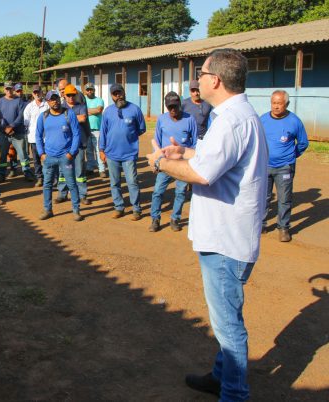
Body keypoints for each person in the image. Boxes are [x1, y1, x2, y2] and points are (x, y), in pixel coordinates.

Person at [146, 48, 268, 401]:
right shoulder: (236, 114)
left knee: (228, 325)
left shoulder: (231, 119)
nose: (196, 80)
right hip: (229, 234)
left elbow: (202, 175)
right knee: (225, 317)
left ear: (215, 80)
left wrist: (158, 163)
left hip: (225, 241)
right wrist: (181, 153)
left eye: (201, 73)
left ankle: (234, 393)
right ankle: (220, 377)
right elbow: (213, 159)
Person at [261, 89, 308, 242]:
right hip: (264, 165)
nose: (276, 106)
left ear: (286, 104)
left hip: (284, 167)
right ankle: (260, 224)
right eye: (273, 103)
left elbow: (302, 143)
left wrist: (290, 158)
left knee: (284, 199)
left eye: (279, 103)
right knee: (263, 197)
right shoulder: (263, 120)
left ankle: (283, 228)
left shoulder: (294, 121)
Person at [149, 91, 198, 232]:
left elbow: (194, 143)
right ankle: (155, 219)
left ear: (180, 105)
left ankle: (175, 218)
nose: (173, 110)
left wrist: (190, 161)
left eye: (175, 106)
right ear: (166, 106)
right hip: (165, 163)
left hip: (182, 164)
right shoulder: (162, 119)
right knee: (158, 191)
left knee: (181, 192)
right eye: (170, 107)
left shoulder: (190, 120)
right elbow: (156, 142)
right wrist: (156, 161)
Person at [99, 84, 146, 220]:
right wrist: (102, 150)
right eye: (115, 94)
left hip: (129, 154)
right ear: (112, 96)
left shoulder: (135, 109)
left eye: (120, 92)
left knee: (132, 182)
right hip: (111, 154)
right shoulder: (107, 111)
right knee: (115, 183)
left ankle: (136, 209)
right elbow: (103, 132)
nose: (118, 95)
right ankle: (119, 207)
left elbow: (141, 129)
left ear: (124, 93)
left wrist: (129, 137)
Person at [35, 90, 83, 222]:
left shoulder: (69, 114)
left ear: (60, 99)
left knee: (72, 184)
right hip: (49, 157)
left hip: (65, 157)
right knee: (47, 184)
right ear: (48, 101)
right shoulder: (43, 116)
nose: (54, 101)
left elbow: (76, 134)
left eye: (56, 99)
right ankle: (47, 210)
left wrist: (71, 153)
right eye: (51, 99)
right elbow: (38, 136)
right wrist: (42, 154)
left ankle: (76, 211)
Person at [55, 83, 91, 205]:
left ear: (76, 95)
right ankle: (62, 193)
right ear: (64, 96)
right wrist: (75, 118)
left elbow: (83, 119)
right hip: (64, 144)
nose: (71, 97)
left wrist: (67, 118)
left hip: (79, 143)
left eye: (73, 95)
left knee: (80, 171)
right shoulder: (60, 107)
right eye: (68, 95)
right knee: (62, 170)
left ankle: (83, 195)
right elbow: (61, 120)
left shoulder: (81, 106)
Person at [0, 81, 33, 182]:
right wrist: (4, 128)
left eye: (10, 88)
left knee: (23, 155)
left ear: (13, 89)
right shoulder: (0, 102)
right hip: (4, 133)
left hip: (18, 132)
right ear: (4, 90)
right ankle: (2, 174)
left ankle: (27, 172)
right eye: (7, 89)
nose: (9, 91)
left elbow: (21, 116)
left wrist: (11, 126)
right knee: (3, 155)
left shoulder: (19, 101)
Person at [23, 85, 49, 187]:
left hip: (47, 138)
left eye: (38, 92)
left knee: (47, 158)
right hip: (33, 138)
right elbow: (26, 122)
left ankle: (48, 178)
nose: (37, 94)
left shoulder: (47, 105)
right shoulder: (29, 107)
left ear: (42, 92)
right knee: (36, 159)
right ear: (32, 94)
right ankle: (39, 178)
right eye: (35, 93)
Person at [84, 82, 106, 177]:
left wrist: (87, 110)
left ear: (94, 90)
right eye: (88, 89)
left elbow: (99, 110)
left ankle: (101, 169)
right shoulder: (83, 100)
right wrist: (92, 111)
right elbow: (82, 111)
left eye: (91, 89)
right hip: (86, 129)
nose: (89, 91)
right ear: (85, 91)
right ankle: (90, 168)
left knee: (98, 149)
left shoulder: (99, 100)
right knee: (88, 150)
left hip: (97, 129)